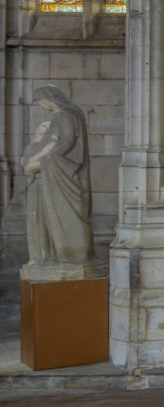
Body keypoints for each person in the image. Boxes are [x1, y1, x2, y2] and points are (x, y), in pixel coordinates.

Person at [23, 84, 94, 278]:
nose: (42, 108)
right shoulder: (66, 114)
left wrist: (41, 161)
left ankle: (71, 256)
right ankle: (62, 255)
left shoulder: (65, 114)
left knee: (68, 213)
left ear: (48, 99)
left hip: (64, 171)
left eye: (41, 103)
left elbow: (66, 142)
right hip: (57, 170)